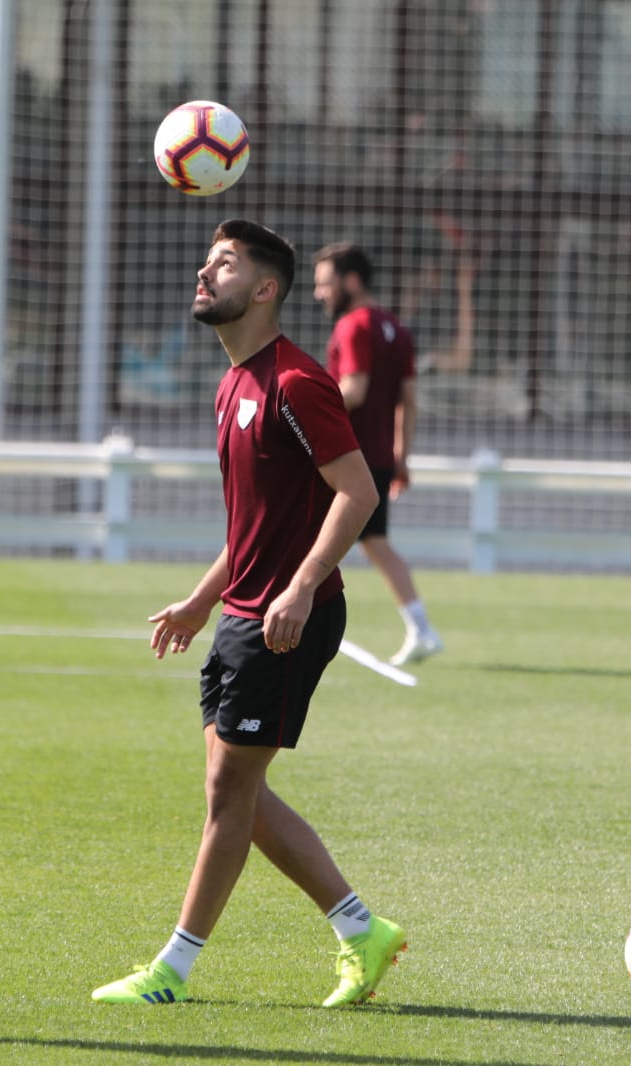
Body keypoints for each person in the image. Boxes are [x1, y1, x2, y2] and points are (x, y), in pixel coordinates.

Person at [91, 219, 406, 1009]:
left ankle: (172, 970)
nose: (205, 272)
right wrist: (202, 600)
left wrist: (300, 587)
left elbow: (358, 492)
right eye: (207, 260)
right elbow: (254, 525)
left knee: (230, 796)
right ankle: (362, 930)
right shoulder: (234, 383)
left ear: (265, 289)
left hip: (287, 620)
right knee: (234, 793)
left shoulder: (297, 382)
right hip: (241, 615)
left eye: (224, 265)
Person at [312, 243, 444, 667]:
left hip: (346, 461)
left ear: (352, 281)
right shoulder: (395, 328)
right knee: (375, 543)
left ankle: (295, 618)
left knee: (311, 537)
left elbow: (354, 389)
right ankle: (421, 627)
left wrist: (301, 411)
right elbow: (408, 398)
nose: (320, 294)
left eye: (325, 284)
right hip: (379, 458)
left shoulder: (354, 326)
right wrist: (402, 457)